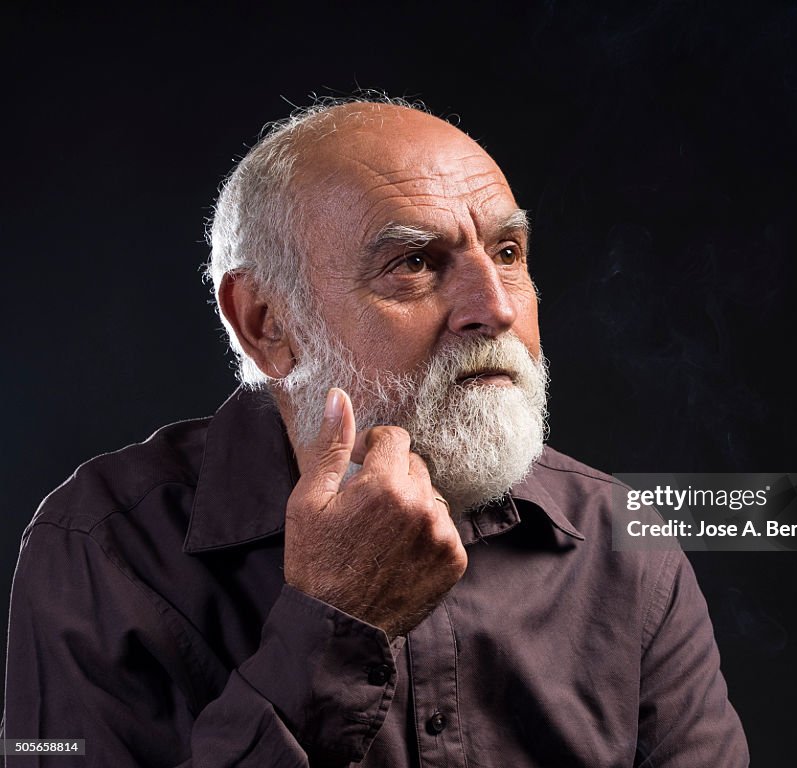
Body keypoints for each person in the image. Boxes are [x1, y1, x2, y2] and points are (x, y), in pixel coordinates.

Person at [3, 97, 748, 767]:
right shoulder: (103, 548)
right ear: (267, 324)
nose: (494, 308)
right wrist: (337, 622)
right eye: (416, 263)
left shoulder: (624, 545)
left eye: (509, 253)